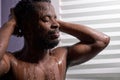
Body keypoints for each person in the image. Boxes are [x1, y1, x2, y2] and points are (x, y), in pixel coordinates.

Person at [0, 0, 110, 80]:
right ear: (27, 27)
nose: (56, 24)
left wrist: (52, 21)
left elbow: (101, 41)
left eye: (55, 18)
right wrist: (11, 23)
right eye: (45, 19)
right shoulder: (11, 63)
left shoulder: (61, 58)